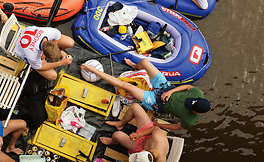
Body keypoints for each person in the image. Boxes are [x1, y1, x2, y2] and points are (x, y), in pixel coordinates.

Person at [81, 57, 211, 130]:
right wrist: (171, 91)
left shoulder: (189, 121)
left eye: (190, 105)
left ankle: (121, 123)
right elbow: (188, 87)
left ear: (196, 112)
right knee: (144, 62)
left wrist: (157, 124)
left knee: (126, 86)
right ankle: (134, 65)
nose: (189, 102)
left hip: (156, 103)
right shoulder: (198, 93)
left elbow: (176, 126)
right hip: (165, 88)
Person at [100, 103, 169, 162]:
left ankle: (113, 141)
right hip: (147, 134)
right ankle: (121, 123)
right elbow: (153, 128)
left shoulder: (161, 160)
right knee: (135, 107)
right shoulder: (159, 139)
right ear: (144, 151)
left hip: (140, 147)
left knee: (117, 135)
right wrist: (140, 134)